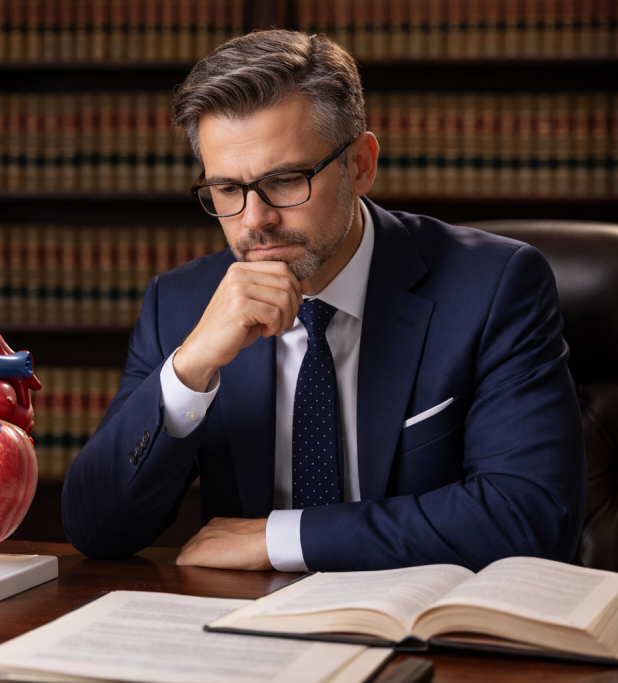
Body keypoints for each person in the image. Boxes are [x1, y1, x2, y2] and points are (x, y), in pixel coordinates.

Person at [60, 29, 587, 573]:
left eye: (285, 180)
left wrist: (280, 539)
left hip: (428, 632)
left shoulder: (494, 285)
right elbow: (95, 528)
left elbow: (532, 517)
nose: (254, 219)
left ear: (360, 164)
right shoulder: (181, 303)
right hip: (248, 639)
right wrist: (189, 369)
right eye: (226, 190)